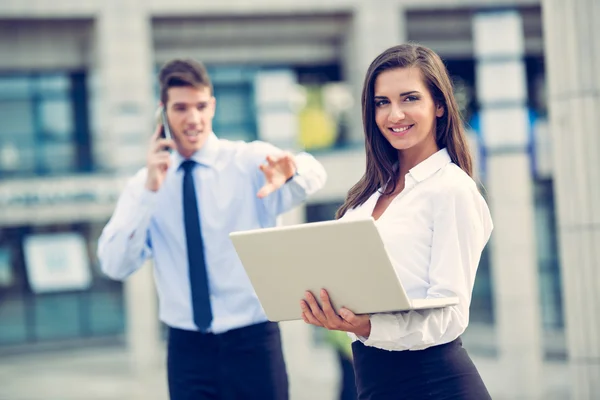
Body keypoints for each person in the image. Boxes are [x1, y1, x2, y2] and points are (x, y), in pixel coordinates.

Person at [98, 58, 327, 400]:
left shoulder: (247, 161)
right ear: (163, 111)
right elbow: (114, 264)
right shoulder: (143, 185)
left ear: (213, 106)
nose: (193, 119)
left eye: (201, 106)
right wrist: (149, 193)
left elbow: (315, 173)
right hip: (188, 349)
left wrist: (291, 171)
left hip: (253, 342)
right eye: (181, 108)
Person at [300, 43, 493, 399]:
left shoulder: (452, 190)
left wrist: (370, 326)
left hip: (433, 383)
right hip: (374, 382)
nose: (395, 114)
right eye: (382, 102)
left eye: (409, 99)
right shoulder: (366, 198)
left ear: (438, 105)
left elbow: (449, 314)